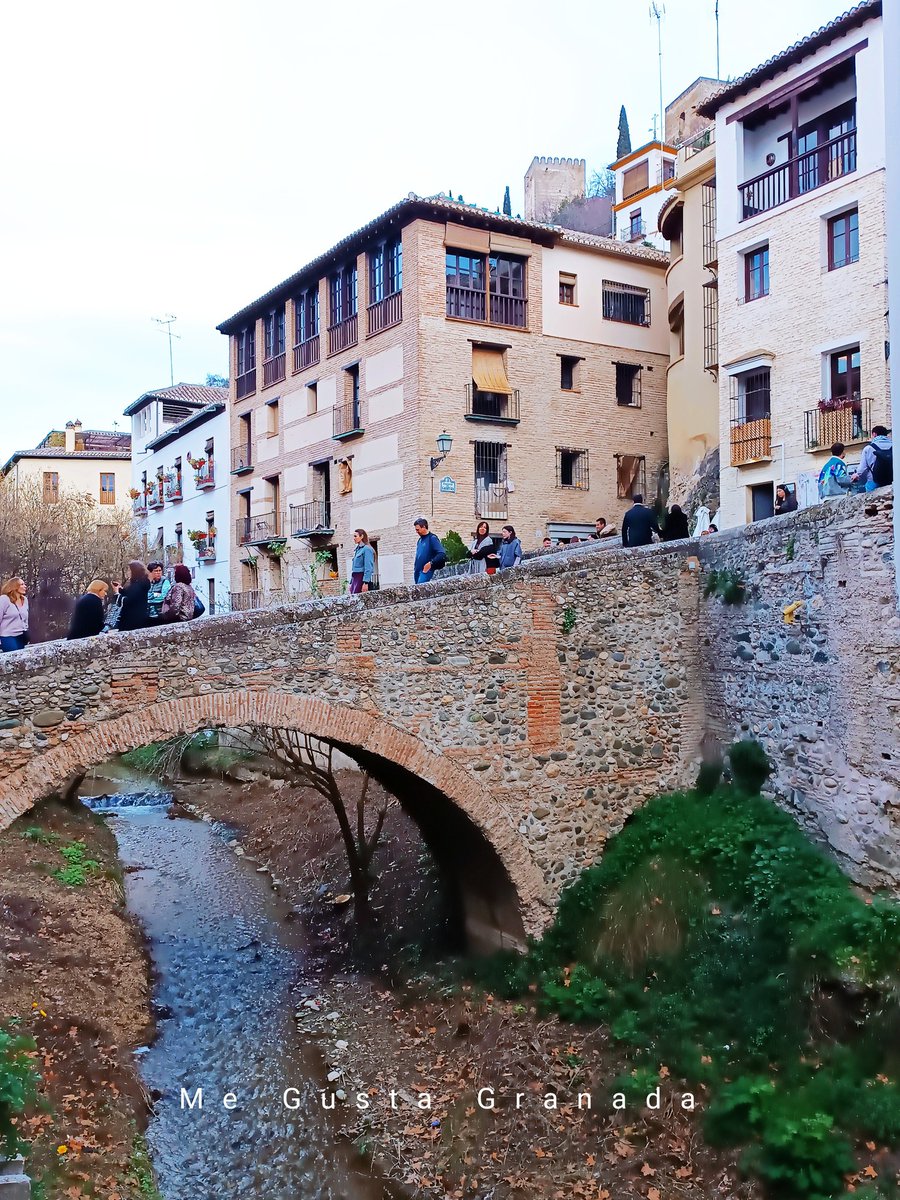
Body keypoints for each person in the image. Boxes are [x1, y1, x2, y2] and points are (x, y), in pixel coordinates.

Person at [853, 426, 893, 491]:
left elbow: (862, 468)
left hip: (873, 481)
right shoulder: (895, 446)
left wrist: (856, 475)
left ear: (874, 434)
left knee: (871, 500)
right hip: (892, 480)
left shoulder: (868, 448)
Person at [117, 561, 152, 631]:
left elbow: (129, 600)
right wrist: (121, 590)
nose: (127, 572)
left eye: (129, 570)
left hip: (133, 618)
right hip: (138, 616)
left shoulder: (138, 585)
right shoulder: (140, 583)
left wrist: (117, 595)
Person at [413, 518, 446, 584]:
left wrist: (430, 563)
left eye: (418, 530)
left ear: (424, 527)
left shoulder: (432, 538)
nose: (416, 532)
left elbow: (441, 553)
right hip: (417, 572)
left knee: (421, 592)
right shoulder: (419, 540)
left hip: (426, 572)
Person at [0, 578, 29, 652]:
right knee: (14, 658)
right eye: (22, 584)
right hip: (8, 636)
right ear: (14, 586)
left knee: (22, 659)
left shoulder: (24, 600)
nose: (25, 586)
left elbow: (25, 619)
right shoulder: (4, 599)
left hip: (21, 635)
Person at [350, 528, 376, 594]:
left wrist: (366, 583)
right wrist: (351, 583)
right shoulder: (357, 550)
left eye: (355, 536)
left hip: (361, 578)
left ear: (362, 536)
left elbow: (368, 567)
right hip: (355, 579)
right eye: (353, 536)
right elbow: (354, 569)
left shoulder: (367, 549)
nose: (354, 538)